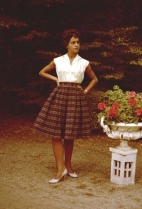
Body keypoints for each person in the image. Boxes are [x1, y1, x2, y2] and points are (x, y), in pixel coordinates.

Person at [33, 29, 98, 184]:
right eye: (73, 42)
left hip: (76, 96)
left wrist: (86, 91)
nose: (76, 45)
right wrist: (56, 79)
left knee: (69, 133)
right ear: (66, 44)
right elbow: (42, 72)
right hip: (60, 95)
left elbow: (94, 79)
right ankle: (59, 169)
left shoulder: (84, 62)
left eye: (78, 42)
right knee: (56, 133)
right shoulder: (58, 60)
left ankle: (68, 166)